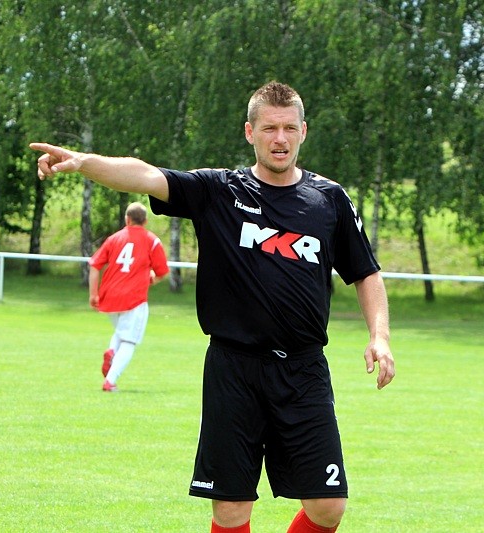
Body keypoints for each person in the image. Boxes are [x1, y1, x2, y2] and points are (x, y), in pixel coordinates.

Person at [31, 81, 395, 533]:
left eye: (289, 128)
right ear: (249, 132)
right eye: (269, 128)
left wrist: (380, 336)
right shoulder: (219, 190)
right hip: (233, 369)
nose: (280, 138)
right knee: (230, 509)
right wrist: (83, 162)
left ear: (304, 131)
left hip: (303, 371)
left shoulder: (329, 199)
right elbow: (145, 175)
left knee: (328, 506)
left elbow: (366, 273)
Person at [88, 201, 169, 392]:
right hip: (134, 298)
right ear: (145, 221)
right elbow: (162, 271)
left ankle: (111, 351)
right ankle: (110, 381)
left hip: (110, 297)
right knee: (129, 341)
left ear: (127, 219)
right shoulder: (151, 240)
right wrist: (150, 279)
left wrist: (93, 294)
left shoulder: (114, 238)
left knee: (122, 331)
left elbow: (94, 265)